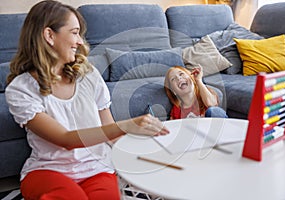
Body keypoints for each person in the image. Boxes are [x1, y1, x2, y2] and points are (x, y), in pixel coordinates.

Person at [5, 1, 169, 199]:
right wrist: (128, 125)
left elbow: (109, 131)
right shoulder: (21, 89)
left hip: (96, 168)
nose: (80, 42)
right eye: (74, 32)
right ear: (49, 35)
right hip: (47, 170)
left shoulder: (88, 75)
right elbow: (65, 139)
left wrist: (149, 152)